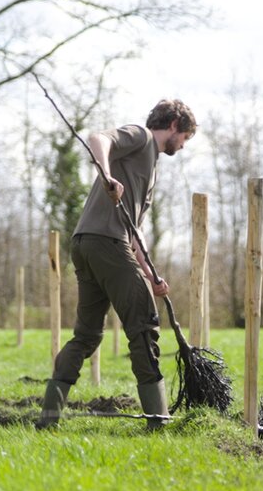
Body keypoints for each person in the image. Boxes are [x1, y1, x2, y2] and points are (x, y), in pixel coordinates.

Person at [37, 99, 197, 430]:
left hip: (88, 244)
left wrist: (151, 274)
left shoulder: (150, 170)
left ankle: (48, 416)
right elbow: (99, 138)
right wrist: (107, 175)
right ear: (174, 125)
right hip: (105, 243)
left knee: (87, 335)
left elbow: (133, 232)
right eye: (185, 138)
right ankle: (158, 419)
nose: (182, 146)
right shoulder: (140, 136)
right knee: (143, 323)